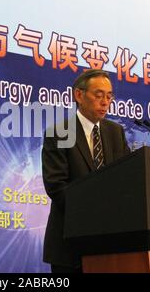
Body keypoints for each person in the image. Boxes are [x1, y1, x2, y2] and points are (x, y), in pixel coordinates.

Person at [41, 69, 130, 273]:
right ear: (79, 95)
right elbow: (57, 187)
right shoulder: (61, 133)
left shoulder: (115, 132)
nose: (105, 102)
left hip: (112, 246)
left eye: (109, 96)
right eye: (98, 95)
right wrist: (97, 211)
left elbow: (126, 178)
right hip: (70, 244)